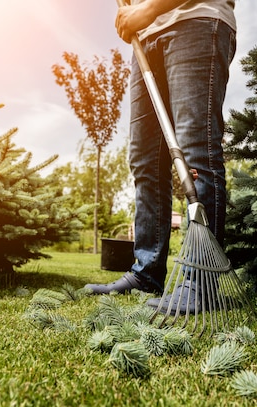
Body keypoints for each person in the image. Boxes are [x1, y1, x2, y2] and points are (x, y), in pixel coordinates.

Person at [84, 0, 236, 313]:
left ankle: (201, 281)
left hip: (194, 19)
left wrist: (149, 9)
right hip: (146, 37)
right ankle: (147, 272)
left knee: (196, 151)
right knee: (145, 161)